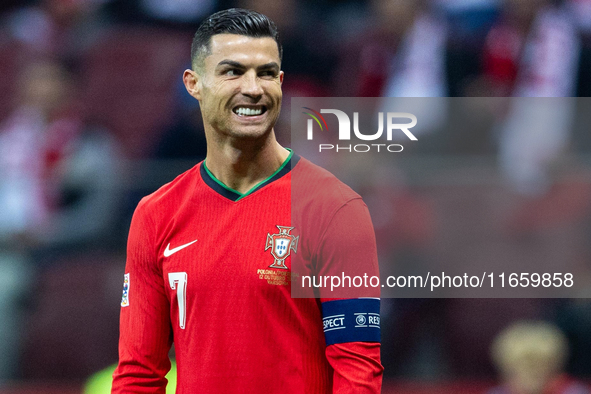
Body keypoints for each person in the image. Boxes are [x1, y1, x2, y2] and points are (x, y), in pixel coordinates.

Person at [111, 8, 383, 394]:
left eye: (267, 73)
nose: (253, 88)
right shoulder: (156, 214)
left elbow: (358, 372)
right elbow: (138, 374)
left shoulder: (335, 208)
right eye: (232, 71)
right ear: (194, 84)